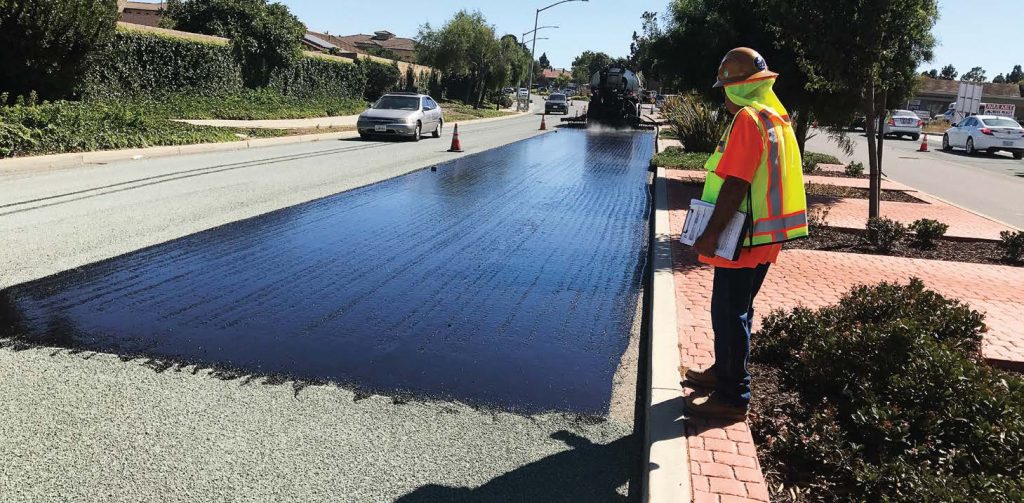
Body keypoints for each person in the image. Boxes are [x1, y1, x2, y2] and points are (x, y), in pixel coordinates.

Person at [683, 47, 809, 420]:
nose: (722, 93)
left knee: (728, 314)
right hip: (767, 236)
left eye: (724, 86)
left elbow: (736, 183)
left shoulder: (747, 120)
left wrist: (710, 234)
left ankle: (734, 396)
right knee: (740, 310)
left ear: (737, 87)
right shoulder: (777, 119)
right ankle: (724, 373)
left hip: (743, 237)